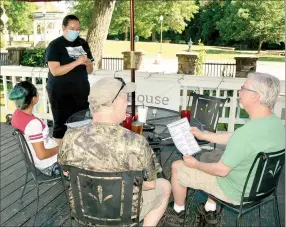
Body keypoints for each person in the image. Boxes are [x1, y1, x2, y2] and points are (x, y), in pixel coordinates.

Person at [166, 72, 285, 226]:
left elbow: (221, 171)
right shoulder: (276, 124)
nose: (239, 91)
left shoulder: (246, 134)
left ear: (255, 97)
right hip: (264, 187)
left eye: (243, 88)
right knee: (213, 155)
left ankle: (178, 212)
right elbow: (235, 138)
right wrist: (204, 135)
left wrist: (194, 164)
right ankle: (209, 207)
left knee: (177, 166)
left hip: (235, 191)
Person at [58, 77, 171, 226]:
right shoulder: (136, 142)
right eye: (125, 100)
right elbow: (150, 185)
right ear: (115, 103)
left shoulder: (70, 137)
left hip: (85, 212)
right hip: (122, 216)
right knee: (165, 186)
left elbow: (66, 173)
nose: (127, 104)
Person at [45, 14, 94, 145]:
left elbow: (90, 71)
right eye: (72, 28)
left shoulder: (82, 43)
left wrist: (89, 64)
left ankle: (74, 155)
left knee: (79, 125)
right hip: (60, 93)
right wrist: (77, 62)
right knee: (61, 126)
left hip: (80, 92)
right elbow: (55, 71)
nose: (75, 31)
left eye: (78, 29)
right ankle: (60, 159)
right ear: (64, 27)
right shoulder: (55, 45)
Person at [9, 81, 60, 176]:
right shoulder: (33, 124)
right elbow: (41, 155)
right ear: (33, 99)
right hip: (50, 165)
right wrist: (60, 149)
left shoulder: (17, 114)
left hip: (37, 162)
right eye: (36, 91)